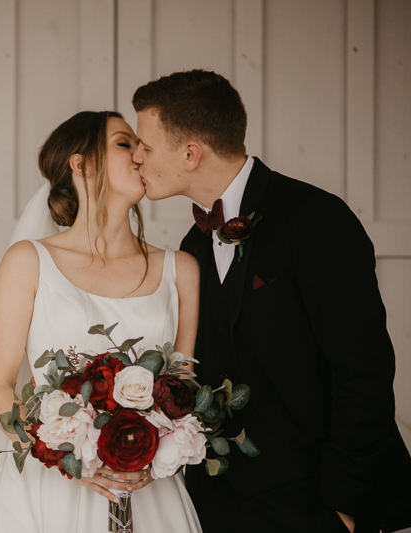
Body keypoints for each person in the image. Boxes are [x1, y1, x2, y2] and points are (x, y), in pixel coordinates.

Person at [131, 69, 411, 533]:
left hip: (317, 496)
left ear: (190, 153)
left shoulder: (316, 219)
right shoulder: (192, 245)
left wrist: (342, 508)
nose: (136, 157)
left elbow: (364, 372)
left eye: (145, 145)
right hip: (224, 502)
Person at [0, 111, 202, 532]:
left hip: (146, 489)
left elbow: (183, 385)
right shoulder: (29, 262)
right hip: (53, 488)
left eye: (140, 145)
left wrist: (156, 454)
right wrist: (69, 457)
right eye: (124, 143)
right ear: (80, 164)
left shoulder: (181, 270)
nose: (140, 154)